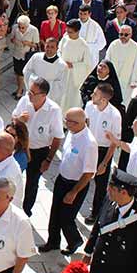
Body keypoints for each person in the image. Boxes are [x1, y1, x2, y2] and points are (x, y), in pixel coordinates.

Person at [37, 107, 96, 254]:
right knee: (55, 213)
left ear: (79, 123)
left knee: (66, 217)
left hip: (76, 184)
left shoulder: (89, 143)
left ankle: (74, 240)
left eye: (69, 122)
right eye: (66, 120)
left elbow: (89, 173)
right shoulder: (72, 132)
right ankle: (53, 242)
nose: (66, 124)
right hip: (62, 179)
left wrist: (74, 192)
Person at [12, 78, 64, 216]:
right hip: (21, 147)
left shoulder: (54, 110)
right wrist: (19, 120)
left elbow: (57, 137)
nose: (29, 95)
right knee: (13, 177)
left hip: (39, 151)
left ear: (43, 95)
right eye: (29, 92)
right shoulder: (25, 101)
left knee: (32, 183)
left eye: (33, 93)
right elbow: (13, 120)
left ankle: (26, 211)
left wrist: (48, 160)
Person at [85, 84, 122, 225]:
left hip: (103, 150)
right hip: (89, 147)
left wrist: (105, 163)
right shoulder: (89, 106)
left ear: (104, 99)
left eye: (95, 94)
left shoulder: (114, 115)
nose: (91, 96)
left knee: (100, 185)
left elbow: (114, 142)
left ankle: (96, 213)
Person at [23, 38, 69, 108]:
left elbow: (62, 85)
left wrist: (45, 93)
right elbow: (27, 71)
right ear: (44, 46)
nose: (49, 49)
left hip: (50, 97)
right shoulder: (36, 57)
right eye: (47, 46)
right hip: (33, 92)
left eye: (52, 47)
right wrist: (34, 84)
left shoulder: (62, 65)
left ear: (57, 48)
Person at [105, 25, 137, 105]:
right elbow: (107, 61)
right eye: (121, 34)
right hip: (113, 79)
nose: (123, 36)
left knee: (124, 102)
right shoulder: (113, 45)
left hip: (127, 81)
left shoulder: (135, 47)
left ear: (130, 35)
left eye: (126, 35)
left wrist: (134, 80)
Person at [58, 19, 93, 109]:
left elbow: (87, 65)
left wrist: (74, 65)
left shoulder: (83, 45)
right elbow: (59, 51)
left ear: (77, 31)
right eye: (67, 31)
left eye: (71, 32)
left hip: (75, 77)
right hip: (62, 73)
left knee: (72, 99)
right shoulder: (65, 39)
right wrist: (61, 61)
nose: (68, 34)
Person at [10, 14, 40, 99]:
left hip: (26, 55)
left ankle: (20, 90)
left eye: (23, 27)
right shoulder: (15, 27)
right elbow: (11, 39)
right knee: (17, 72)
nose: (20, 29)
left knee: (21, 74)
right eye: (19, 26)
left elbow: (36, 46)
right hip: (17, 53)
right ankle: (19, 88)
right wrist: (14, 40)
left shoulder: (34, 30)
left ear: (27, 26)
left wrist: (28, 43)